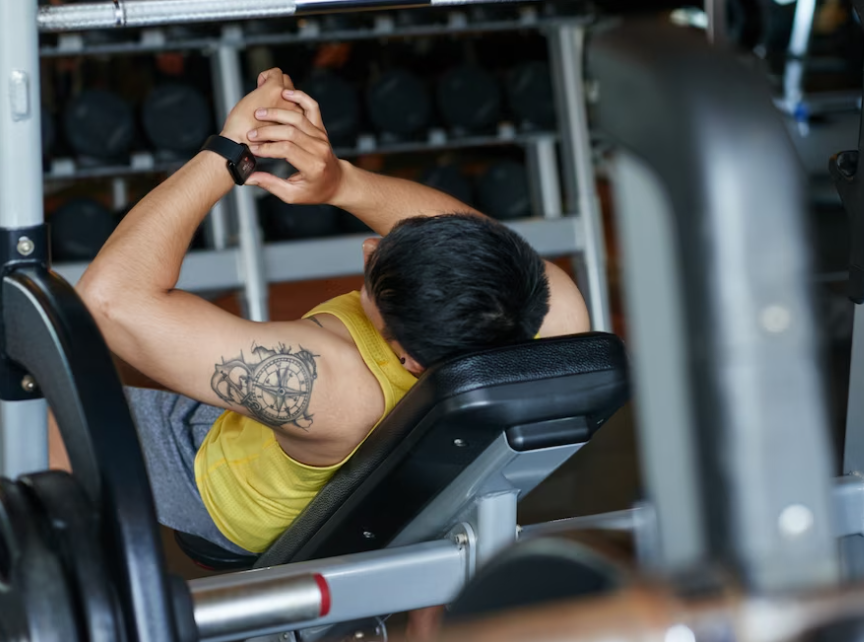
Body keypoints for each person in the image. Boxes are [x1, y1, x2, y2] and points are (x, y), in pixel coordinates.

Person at [49, 67, 589, 565]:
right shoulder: (539, 309)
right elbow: (476, 238)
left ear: (408, 357)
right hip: (278, 432)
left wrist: (228, 148)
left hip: (209, 478)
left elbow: (108, 301)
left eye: (376, 275)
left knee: (30, 406)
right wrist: (341, 184)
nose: (370, 247)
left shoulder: (330, 385)